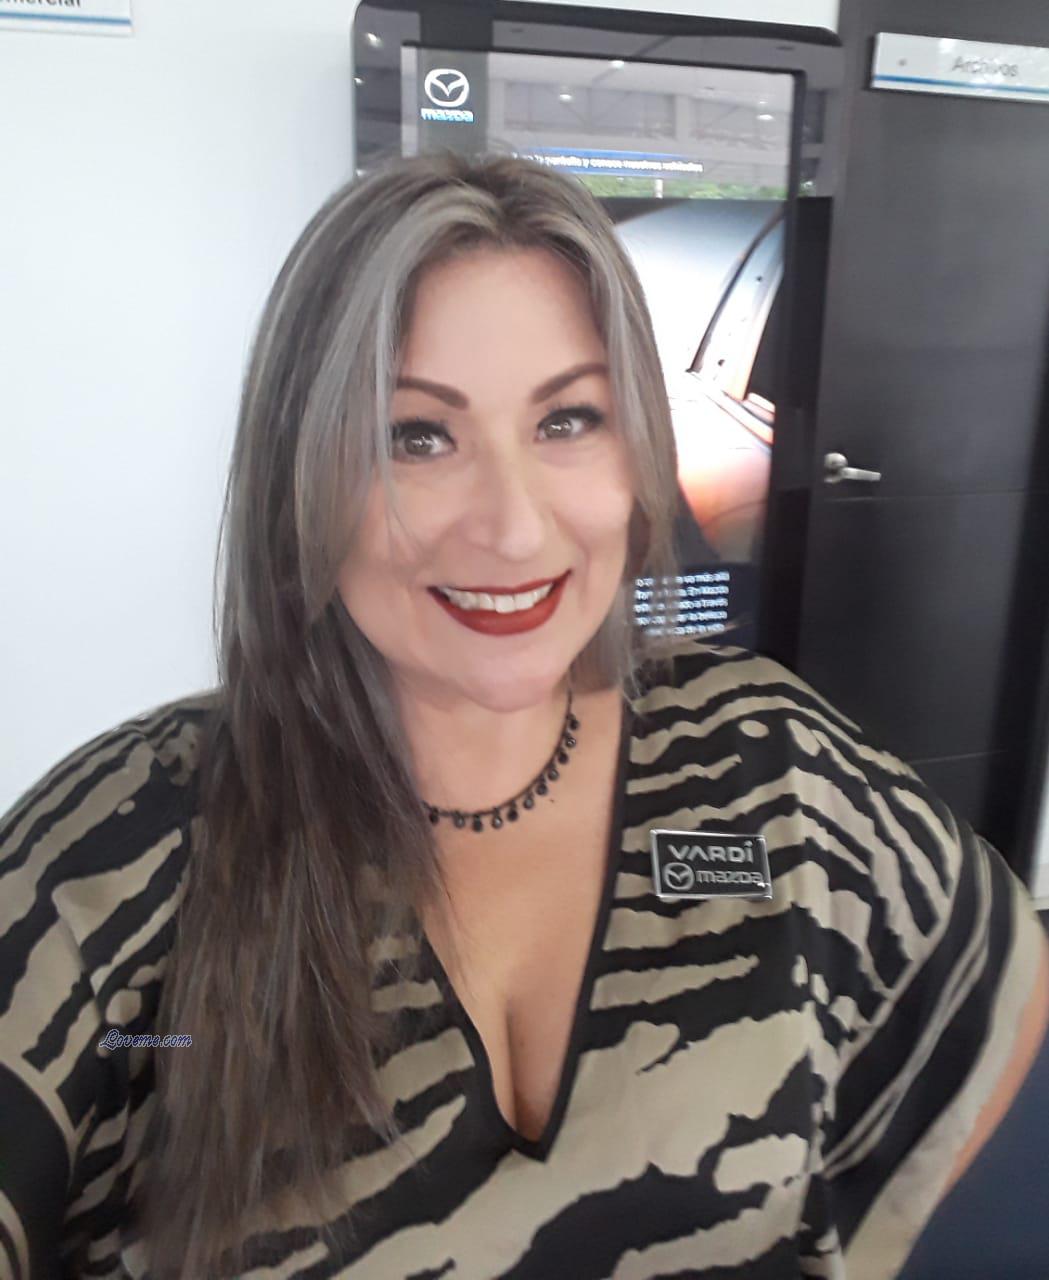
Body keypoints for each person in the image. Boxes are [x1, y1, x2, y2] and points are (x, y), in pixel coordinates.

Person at [0, 151, 1046, 1280]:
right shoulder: (110, 872)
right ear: (301, 470)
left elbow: (999, 1010)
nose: (511, 528)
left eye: (567, 419)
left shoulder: (767, 766)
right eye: (416, 436)